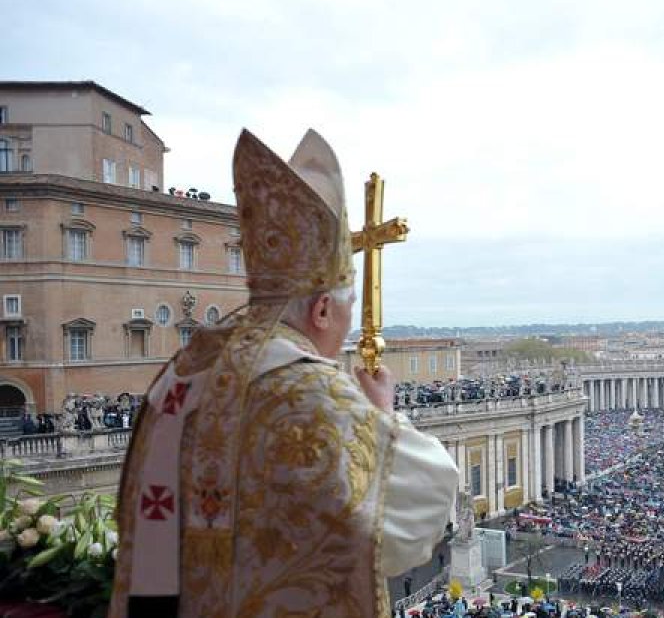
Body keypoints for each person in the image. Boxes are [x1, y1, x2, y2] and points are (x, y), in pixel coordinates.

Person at [109, 130, 460, 617]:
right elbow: (421, 513)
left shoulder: (182, 373)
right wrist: (381, 417)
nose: (346, 324)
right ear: (321, 310)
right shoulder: (311, 391)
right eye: (346, 309)